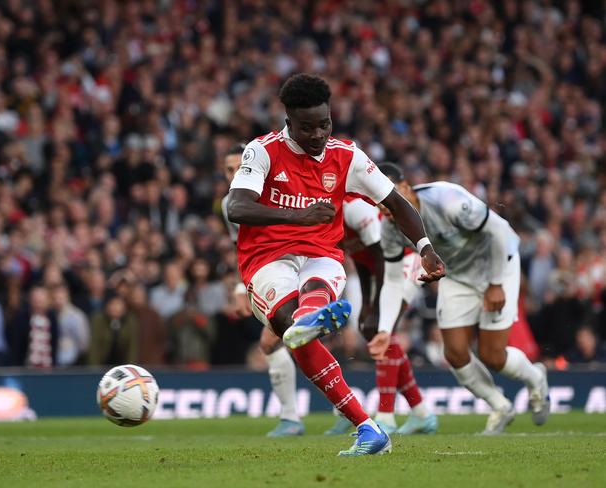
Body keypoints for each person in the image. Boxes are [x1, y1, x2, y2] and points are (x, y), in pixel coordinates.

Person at [227, 74, 445, 456]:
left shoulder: (347, 155)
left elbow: (396, 204)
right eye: (307, 127)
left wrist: (426, 247)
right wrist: (300, 217)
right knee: (288, 323)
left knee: (310, 304)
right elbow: (237, 206)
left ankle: (310, 328)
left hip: (322, 255)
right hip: (268, 257)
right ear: (288, 121)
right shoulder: (262, 151)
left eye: (324, 124)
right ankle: (367, 425)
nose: (317, 135)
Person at [378, 163, 549, 435]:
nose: (387, 205)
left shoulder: (447, 200)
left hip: (497, 264)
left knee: (493, 355)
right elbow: (393, 280)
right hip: (458, 275)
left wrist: (495, 284)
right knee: (454, 352)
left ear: (407, 187)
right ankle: (500, 406)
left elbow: (496, 231)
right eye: (380, 199)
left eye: (392, 194)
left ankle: (536, 378)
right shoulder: (389, 230)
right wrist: (385, 330)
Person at [325, 197, 436, 436]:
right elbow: (361, 261)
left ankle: (386, 416)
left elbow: (381, 254)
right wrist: (367, 305)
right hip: (382, 271)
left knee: (382, 330)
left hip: (404, 262)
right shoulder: (331, 218)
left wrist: (376, 308)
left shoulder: (353, 208)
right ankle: (421, 412)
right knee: (376, 330)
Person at [221, 143, 304, 437]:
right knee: (288, 341)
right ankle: (302, 417)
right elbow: (241, 248)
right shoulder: (229, 204)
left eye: (238, 168)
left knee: (274, 342)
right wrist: (241, 287)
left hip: (302, 267)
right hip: (269, 274)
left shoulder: (276, 192)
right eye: (228, 170)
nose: (234, 174)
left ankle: (292, 418)